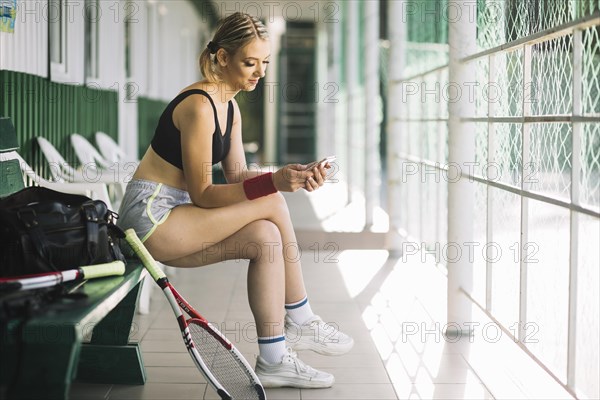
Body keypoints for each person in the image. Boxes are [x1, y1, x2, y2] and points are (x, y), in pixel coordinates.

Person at [117, 12, 353, 389]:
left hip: (179, 216)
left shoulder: (231, 105)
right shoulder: (198, 105)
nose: (259, 72)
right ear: (222, 58)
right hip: (151, 217)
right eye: (249, 62)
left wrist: (288, 174)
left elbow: (240, 176)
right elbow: (205, 194)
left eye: (264, 63)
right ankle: (302, 317)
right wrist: (274, 185)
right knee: (273, 203)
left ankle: (274, 358)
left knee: (264, 236)